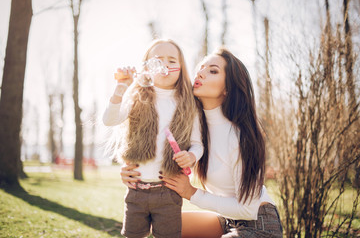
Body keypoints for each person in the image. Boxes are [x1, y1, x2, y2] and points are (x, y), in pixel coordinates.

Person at [121, 48, 283, 238]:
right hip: (225, 219)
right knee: (160, 222)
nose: (200, 73)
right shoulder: (192, 127)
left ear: (227, 88)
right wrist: (133, 173)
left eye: (212, 71)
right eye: (201, 68)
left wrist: (191, 193)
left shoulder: (240, 135)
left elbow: (248, 209)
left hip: (259, 224)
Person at [103, 39, 203, 238]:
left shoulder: (189, 105)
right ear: (146, 68)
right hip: (136, 190)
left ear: (181, 68)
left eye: (172, 60)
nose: (165, 65)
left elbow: (198, 144)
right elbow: (109, 120)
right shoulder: (136, 97)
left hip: (169, 192)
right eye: (158, 60)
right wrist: (121, 88)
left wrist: (191, 157)